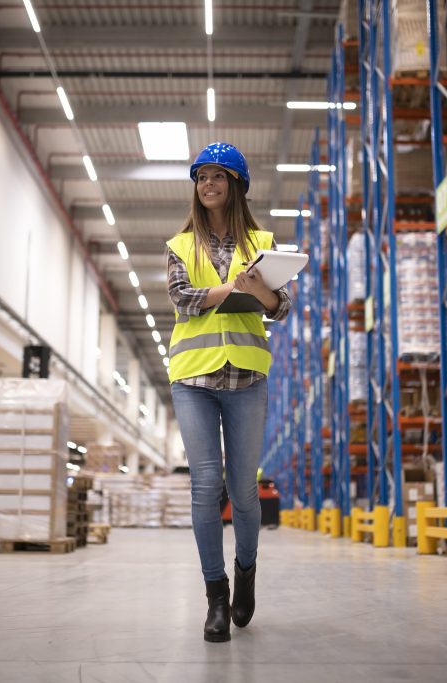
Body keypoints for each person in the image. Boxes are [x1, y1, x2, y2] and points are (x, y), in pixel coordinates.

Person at [165, 142, 291, 643]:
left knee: (243, 490)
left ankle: (246, 574)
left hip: (246, 376)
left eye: (219, 176)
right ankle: (215, 598)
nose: (209, 184)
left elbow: (279, 308)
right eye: (202, 177)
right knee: (205, 486)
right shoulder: (180, 244)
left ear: (237, 184)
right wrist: (232, 290)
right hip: (193, 377)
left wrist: (258, 288)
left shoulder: (262, 240)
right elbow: (182, 298)